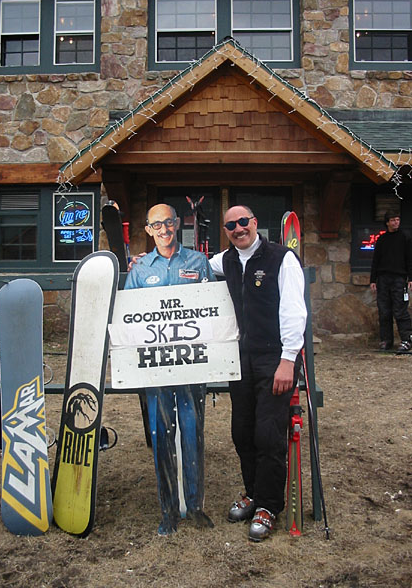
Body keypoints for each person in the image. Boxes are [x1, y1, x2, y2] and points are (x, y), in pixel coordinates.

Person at [208, 205, 307, 541]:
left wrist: (288, 359)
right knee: (242, 431)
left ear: (254, 222)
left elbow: (294, 311)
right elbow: (195, 265)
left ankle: (268, 505)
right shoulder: (227, 260)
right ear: (226, 231)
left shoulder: (282, 258)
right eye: (231, 225)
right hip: (241, 359)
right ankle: (253, 492)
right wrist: (140, 261)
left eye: (243, 222)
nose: (238, 228)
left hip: (274, 358)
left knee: (268, 434)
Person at [124, 203, 215, 536]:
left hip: (191, 364)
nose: (163, 229)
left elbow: (212, 308)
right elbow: (129, 317)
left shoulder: (198, 262)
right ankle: (168, 511)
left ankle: (195, 505)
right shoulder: (139, 269)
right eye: (156, 225)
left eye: (168, 222)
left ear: (177, 224)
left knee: (192, 432)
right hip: (157, 369)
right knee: (161, 435)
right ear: (149, 230)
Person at [370, 211, 412, 353]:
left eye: (398, 220)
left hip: (399, 278)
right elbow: (375, 260)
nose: (396, 222)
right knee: (384, 311)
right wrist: (373, 279)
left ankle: (406, 340)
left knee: (400, 310)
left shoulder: (405, 237)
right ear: (387, 222)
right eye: (393, 220)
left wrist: (410, 278)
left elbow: (409, 259)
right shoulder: (382, 239)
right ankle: (386, 340)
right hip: (383, 278)